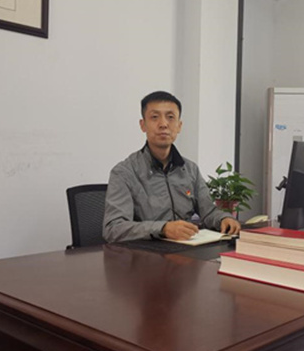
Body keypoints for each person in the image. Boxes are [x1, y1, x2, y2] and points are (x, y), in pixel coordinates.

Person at [103, 91, 241, 243]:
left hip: (186, 250)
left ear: (179, 126)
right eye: (154, 117)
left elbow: (208, 211)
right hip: (145, 253)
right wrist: (163, 229)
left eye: (170, 117)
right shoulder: (124, 173)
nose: (163, 124)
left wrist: (224, 219)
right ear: (143, 125)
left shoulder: (190, 170)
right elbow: (113, 228)